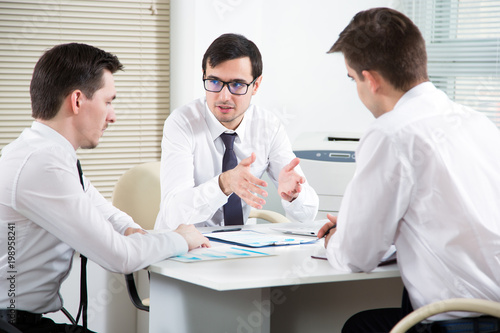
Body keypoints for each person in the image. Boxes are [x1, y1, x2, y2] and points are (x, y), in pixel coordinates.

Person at [0, 43, 210, 333]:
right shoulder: (42, 163)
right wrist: (181, 238)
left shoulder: (45, 152)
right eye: (108, 101)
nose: (112, 116)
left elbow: (102, 210)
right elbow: (119, 257)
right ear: (77, 101)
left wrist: (130, 229)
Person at [318, 7, 500, 333]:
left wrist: (337, 235)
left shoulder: (391, 132)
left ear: (370, 80)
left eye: (352, 78)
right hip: (490, 312)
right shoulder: (479, 123)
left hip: (462, 323)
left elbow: (355, 257)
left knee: (360, 327)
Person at [155, 33, 318, 230]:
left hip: (239, 247)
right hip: (184, 246)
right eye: (214, 82)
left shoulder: (268, 127)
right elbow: (173, 215)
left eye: (237, 85)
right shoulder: (182, 123)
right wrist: (224, 184)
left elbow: (308, 216)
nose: (224, 96)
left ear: (255, 85)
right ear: (204, 76)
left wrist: (294, 195)